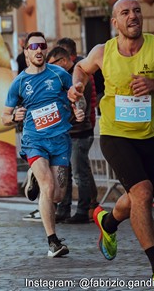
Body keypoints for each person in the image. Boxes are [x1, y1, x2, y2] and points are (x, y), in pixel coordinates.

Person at [68, 0, 154, 289]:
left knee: (141, 197)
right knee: (144, 192)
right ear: (115, 23)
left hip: (150, 134)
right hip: (115, 134)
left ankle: (108, 221)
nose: (133, 16)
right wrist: (78, 86)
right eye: (125, 13)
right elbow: (81, 69)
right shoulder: (102, 52)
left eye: (137, 11)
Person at [2, 31, 84, 258]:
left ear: (46, 50)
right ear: (26, 52)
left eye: (42, 46)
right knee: (47, 187)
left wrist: (79, 109)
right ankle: (53, 242)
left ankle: (32, 175)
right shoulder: (18, 83)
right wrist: (14, 117)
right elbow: (4, 116)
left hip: (59, 140)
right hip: (34, 140)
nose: (38, 50)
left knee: (57, 195)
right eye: (33, 46)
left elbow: (77, 96)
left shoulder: (60, 75)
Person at [47, 46, 98, 224]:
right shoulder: (61, 78)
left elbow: (79, 105)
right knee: (64, 172)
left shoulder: (80, 77)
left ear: (63, 61)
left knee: (79, 172)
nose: (49, 67)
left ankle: (83, 210)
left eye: (52, 63)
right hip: (67, 132)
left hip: (80, 132)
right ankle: (64, 208)